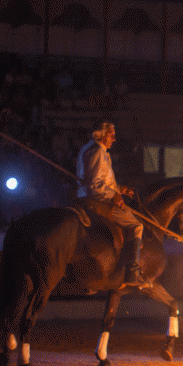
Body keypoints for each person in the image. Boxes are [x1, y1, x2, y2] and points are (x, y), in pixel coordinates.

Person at [76, 120, 149, 288]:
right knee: (137, 226)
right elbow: (95, 185)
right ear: (101, 135)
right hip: (97, 202)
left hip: (97, 197)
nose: (114, 139)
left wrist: (119, 189)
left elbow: (100, 182)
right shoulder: (97, 152)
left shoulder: (94, 150)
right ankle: (132, 271)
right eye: (111, 135)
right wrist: (114, 194)